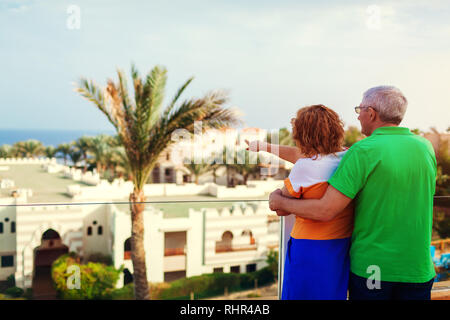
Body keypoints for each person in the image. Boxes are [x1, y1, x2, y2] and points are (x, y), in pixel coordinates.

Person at [269, 86, 437, 300]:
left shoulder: (363, 151)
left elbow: (326, 209)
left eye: (360, 109)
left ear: (372, 113)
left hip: (374, 269)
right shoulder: (424, 147)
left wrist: (280, 202)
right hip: (418, 268)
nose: (358, 116)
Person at [247, 104, 354, 300]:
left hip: (309, 248)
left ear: (302, 135)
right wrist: (264, 147)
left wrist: (275, 196)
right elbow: (301, 155)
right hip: (339, 246)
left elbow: (278, 208)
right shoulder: (347, 157)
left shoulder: (306, 167)